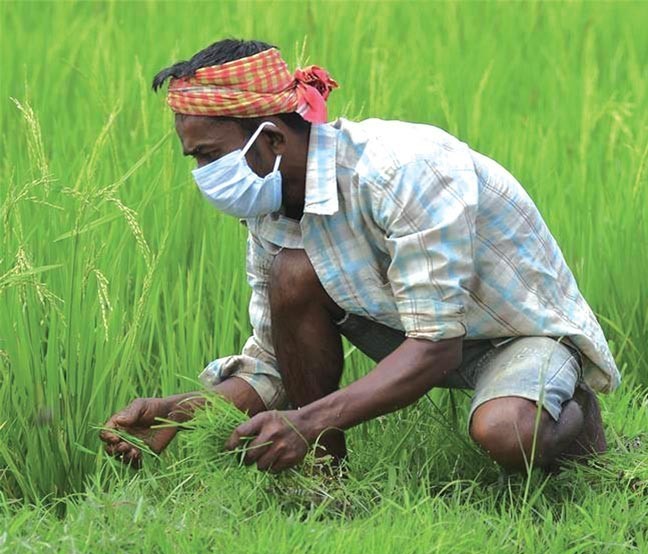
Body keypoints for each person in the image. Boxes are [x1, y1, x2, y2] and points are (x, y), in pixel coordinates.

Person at [99, 39, 621, 475]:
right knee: (294, 272)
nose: (203, 174)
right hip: (418, 334)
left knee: (506, 433)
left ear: (273, 138)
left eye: (210, 156)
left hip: (516, 334)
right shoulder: (272, 206)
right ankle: (324, 479)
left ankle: (579, 423)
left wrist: (306, 421)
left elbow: (436, 347)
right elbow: (275, 364)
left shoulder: (402, 173)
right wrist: (180, 413)